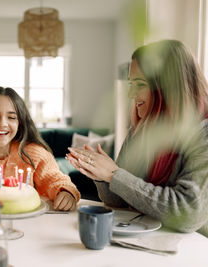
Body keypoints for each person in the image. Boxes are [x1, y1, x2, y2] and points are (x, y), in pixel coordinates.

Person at [66, 39, 208, 237]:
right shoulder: (141, 129)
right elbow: (118, 200)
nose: (131, 94)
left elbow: (189, 214)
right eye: (131, 84)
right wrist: (100, 174)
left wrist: (113, 175)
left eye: (139, 84)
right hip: (143, 239)